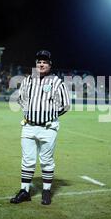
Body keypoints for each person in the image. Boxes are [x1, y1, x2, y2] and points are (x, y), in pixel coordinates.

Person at [10, 50, 70, 205]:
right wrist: (29, 113)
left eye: (44, 62)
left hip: (48, 128)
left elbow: (66, 105)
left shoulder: (57, 82)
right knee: (27, 160)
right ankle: (24, 191)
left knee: (46, 160)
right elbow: (20, 98)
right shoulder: (28, 80)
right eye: (39, 62)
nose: (41, 64)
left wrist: (49, 115)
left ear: (50, 64)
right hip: (29, 126)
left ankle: (46, 191)